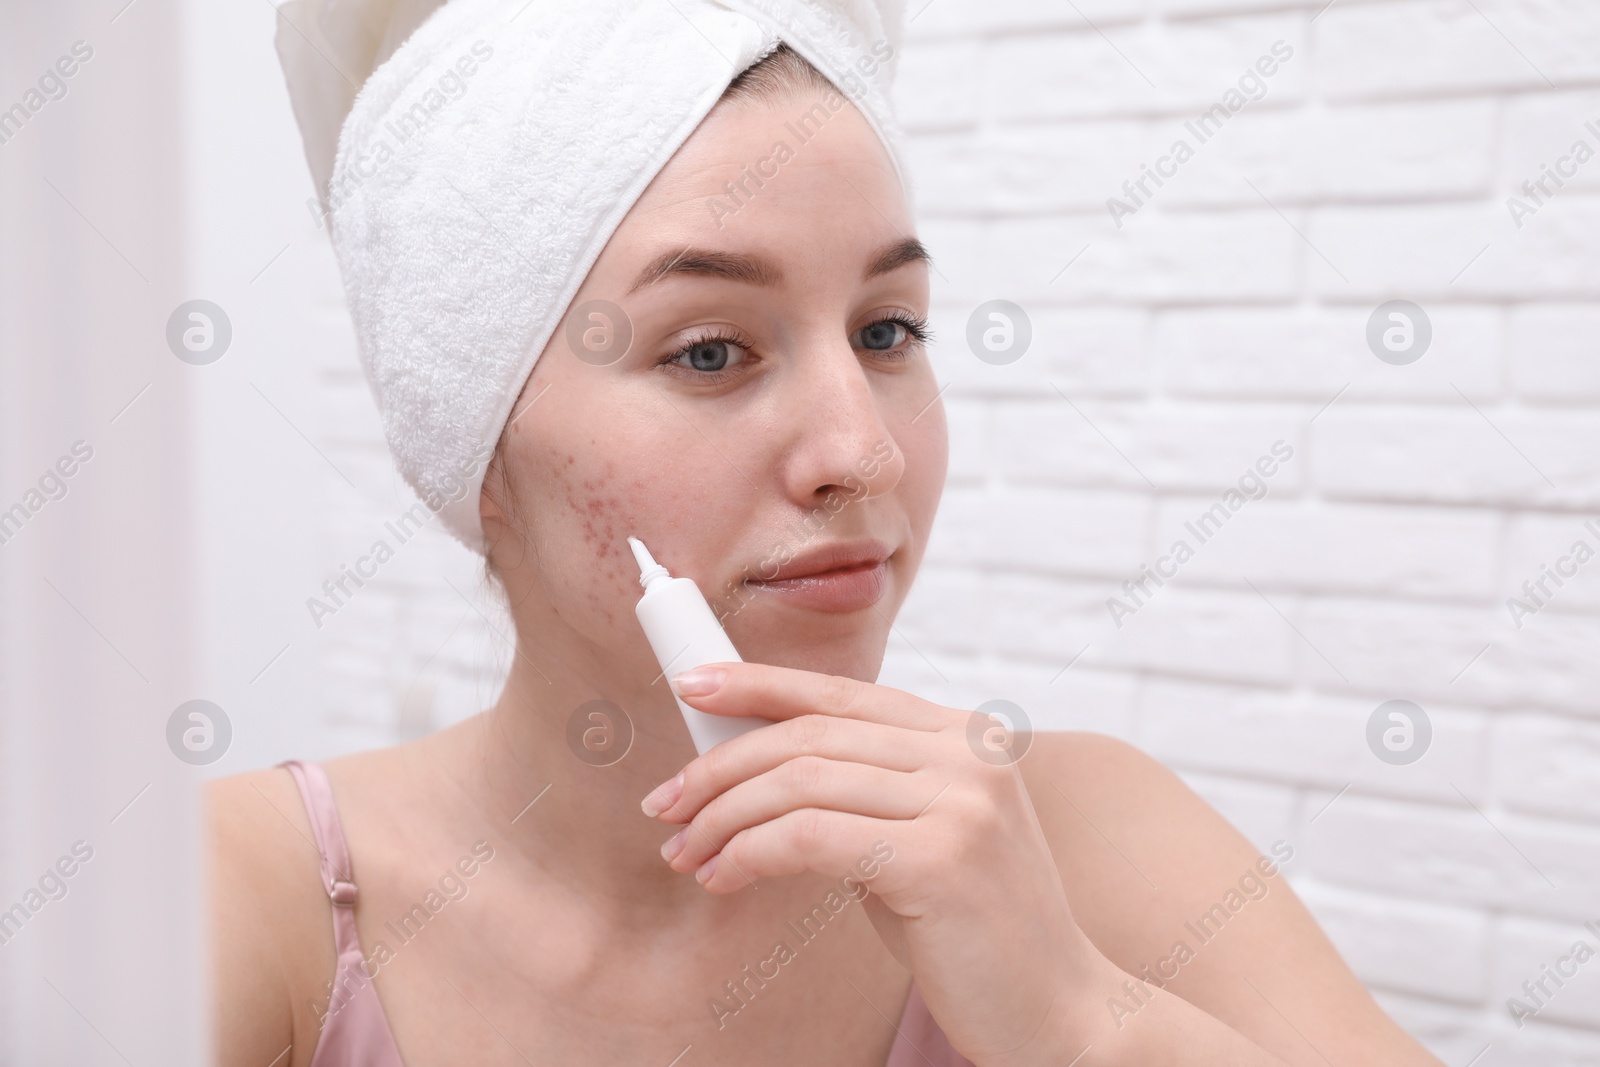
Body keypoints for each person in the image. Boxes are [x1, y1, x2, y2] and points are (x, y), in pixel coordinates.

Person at [211, 8, 1445, 1066]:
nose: (864, 454)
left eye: (887, 331)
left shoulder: (1078, 839)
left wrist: (1080, 1021)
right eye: (709, 350)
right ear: (473, 451)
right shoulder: (260, 900)